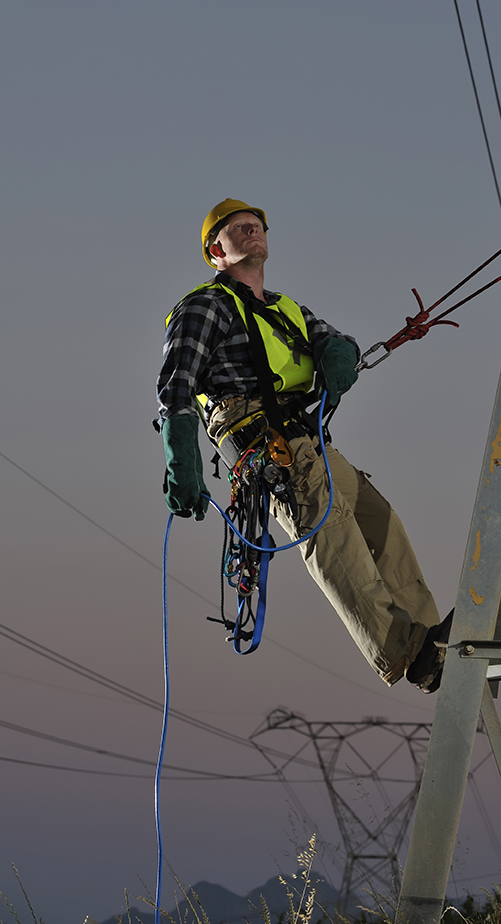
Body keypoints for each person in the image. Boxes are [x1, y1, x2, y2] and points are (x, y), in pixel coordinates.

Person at [157, 198, 451, 692]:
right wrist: (180, 462)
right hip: (263, 442)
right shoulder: (203, 307)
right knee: (334, 539)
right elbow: (176, 387)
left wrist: (340, 355)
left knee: (382, 525)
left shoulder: (286, 309)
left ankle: (432, 644)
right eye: (238, 228)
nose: (253, 230)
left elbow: (336, 341)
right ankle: (403, 651)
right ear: (216, 252)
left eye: (258, 225)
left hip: (306, 441)